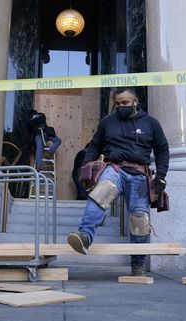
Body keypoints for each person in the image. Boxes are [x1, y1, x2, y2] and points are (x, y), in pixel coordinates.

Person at [66, 87, 169, 276]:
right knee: (100, 193)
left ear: (135, 101)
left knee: (139, 218)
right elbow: (95, 145)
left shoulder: (151, 123)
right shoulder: (107, 122)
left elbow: (162, 150)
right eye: (118, 103)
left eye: (125, 103)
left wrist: (161, 176)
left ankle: (138, 263)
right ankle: (85, 236)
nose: (121, 106)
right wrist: (86, 165)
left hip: (139, 174)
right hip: (114, 169)